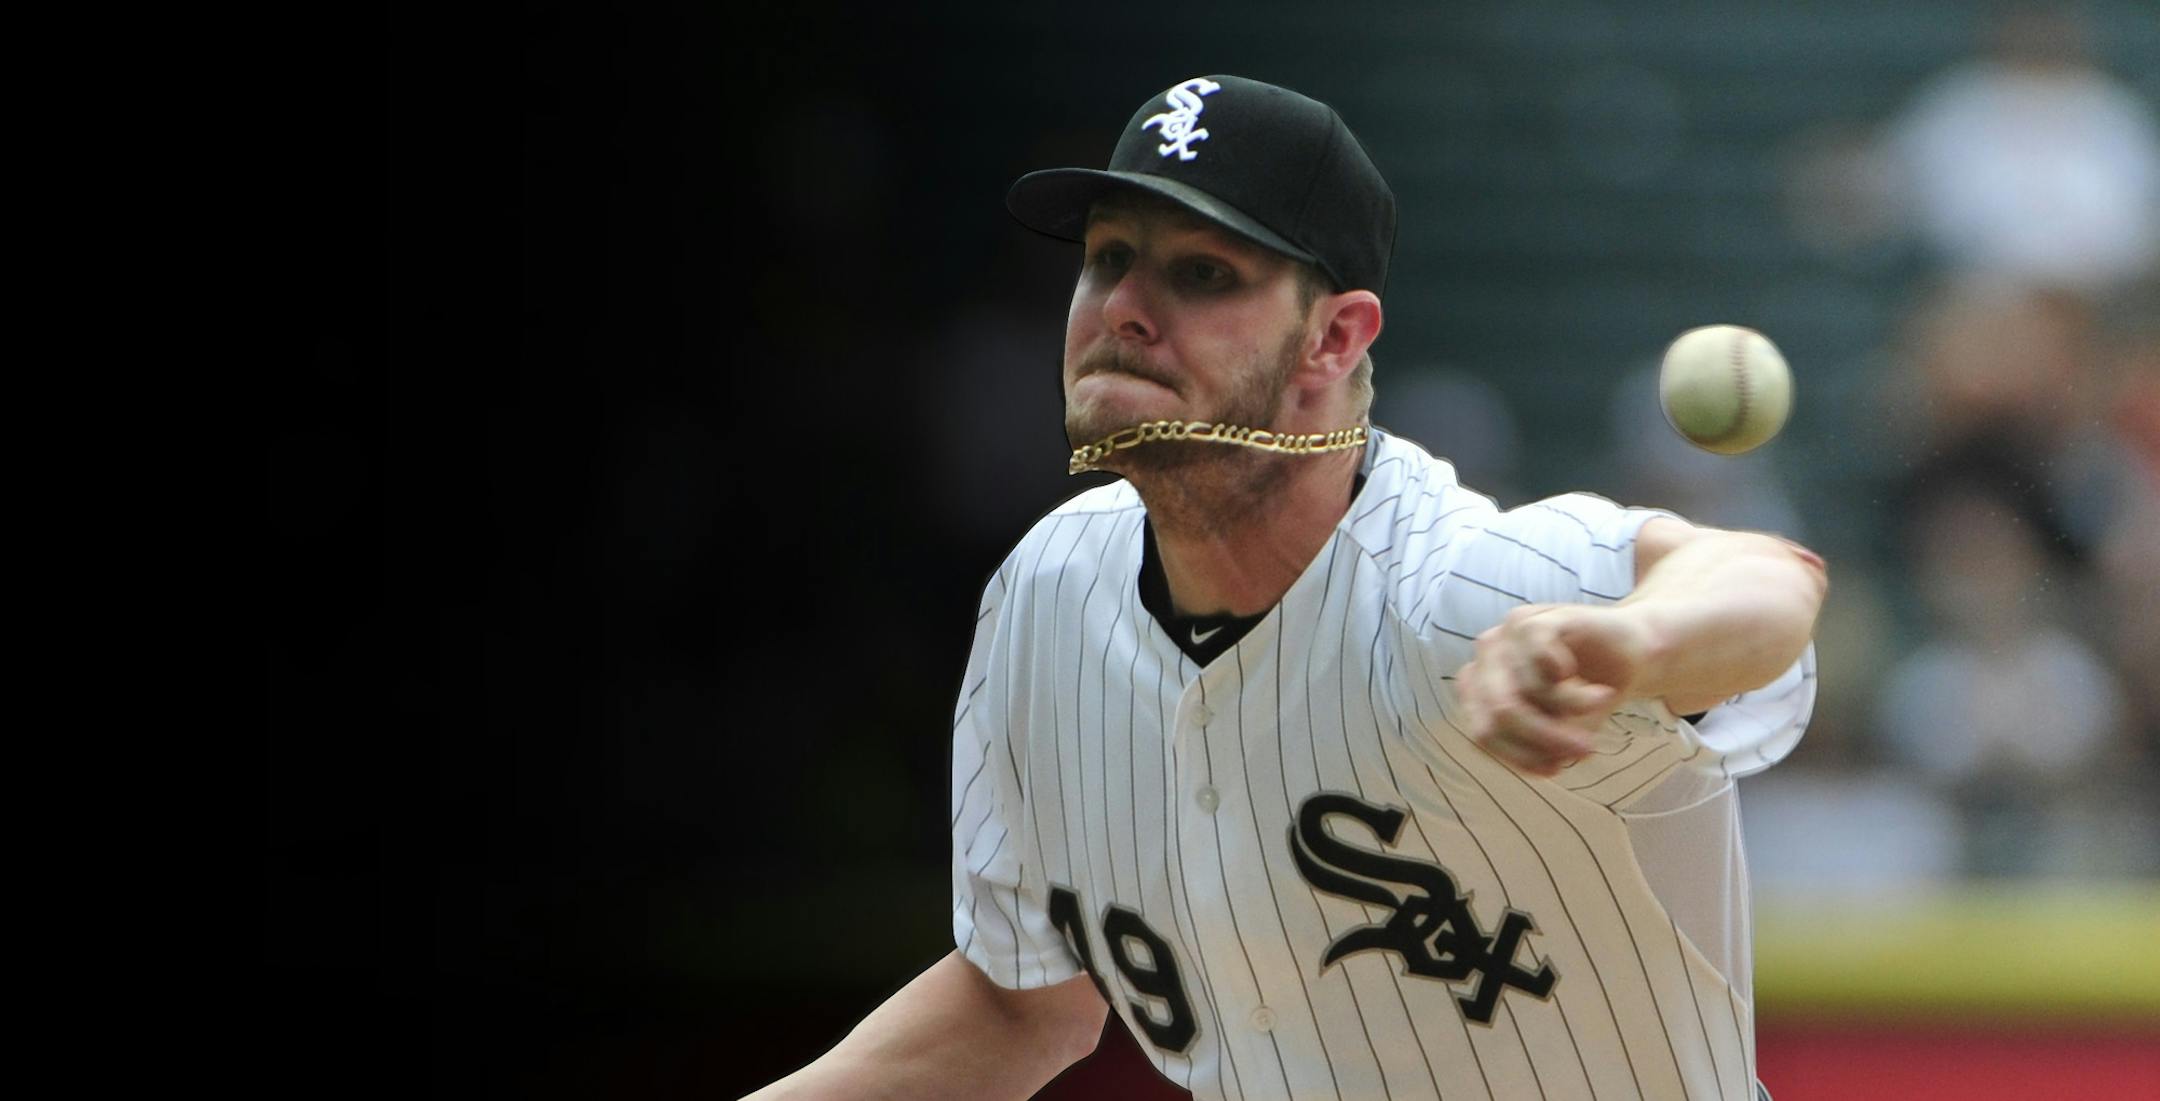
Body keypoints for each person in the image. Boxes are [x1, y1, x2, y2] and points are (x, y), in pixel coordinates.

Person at [748, 74, 1827, 1101]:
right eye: (1109, 257)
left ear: (1334, 336)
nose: (1122, 305)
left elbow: (1765, 582)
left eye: (1202, 273)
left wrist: (1633, 644)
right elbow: (1022, 1007)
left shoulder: (1456, 589)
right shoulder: (1047, 594)